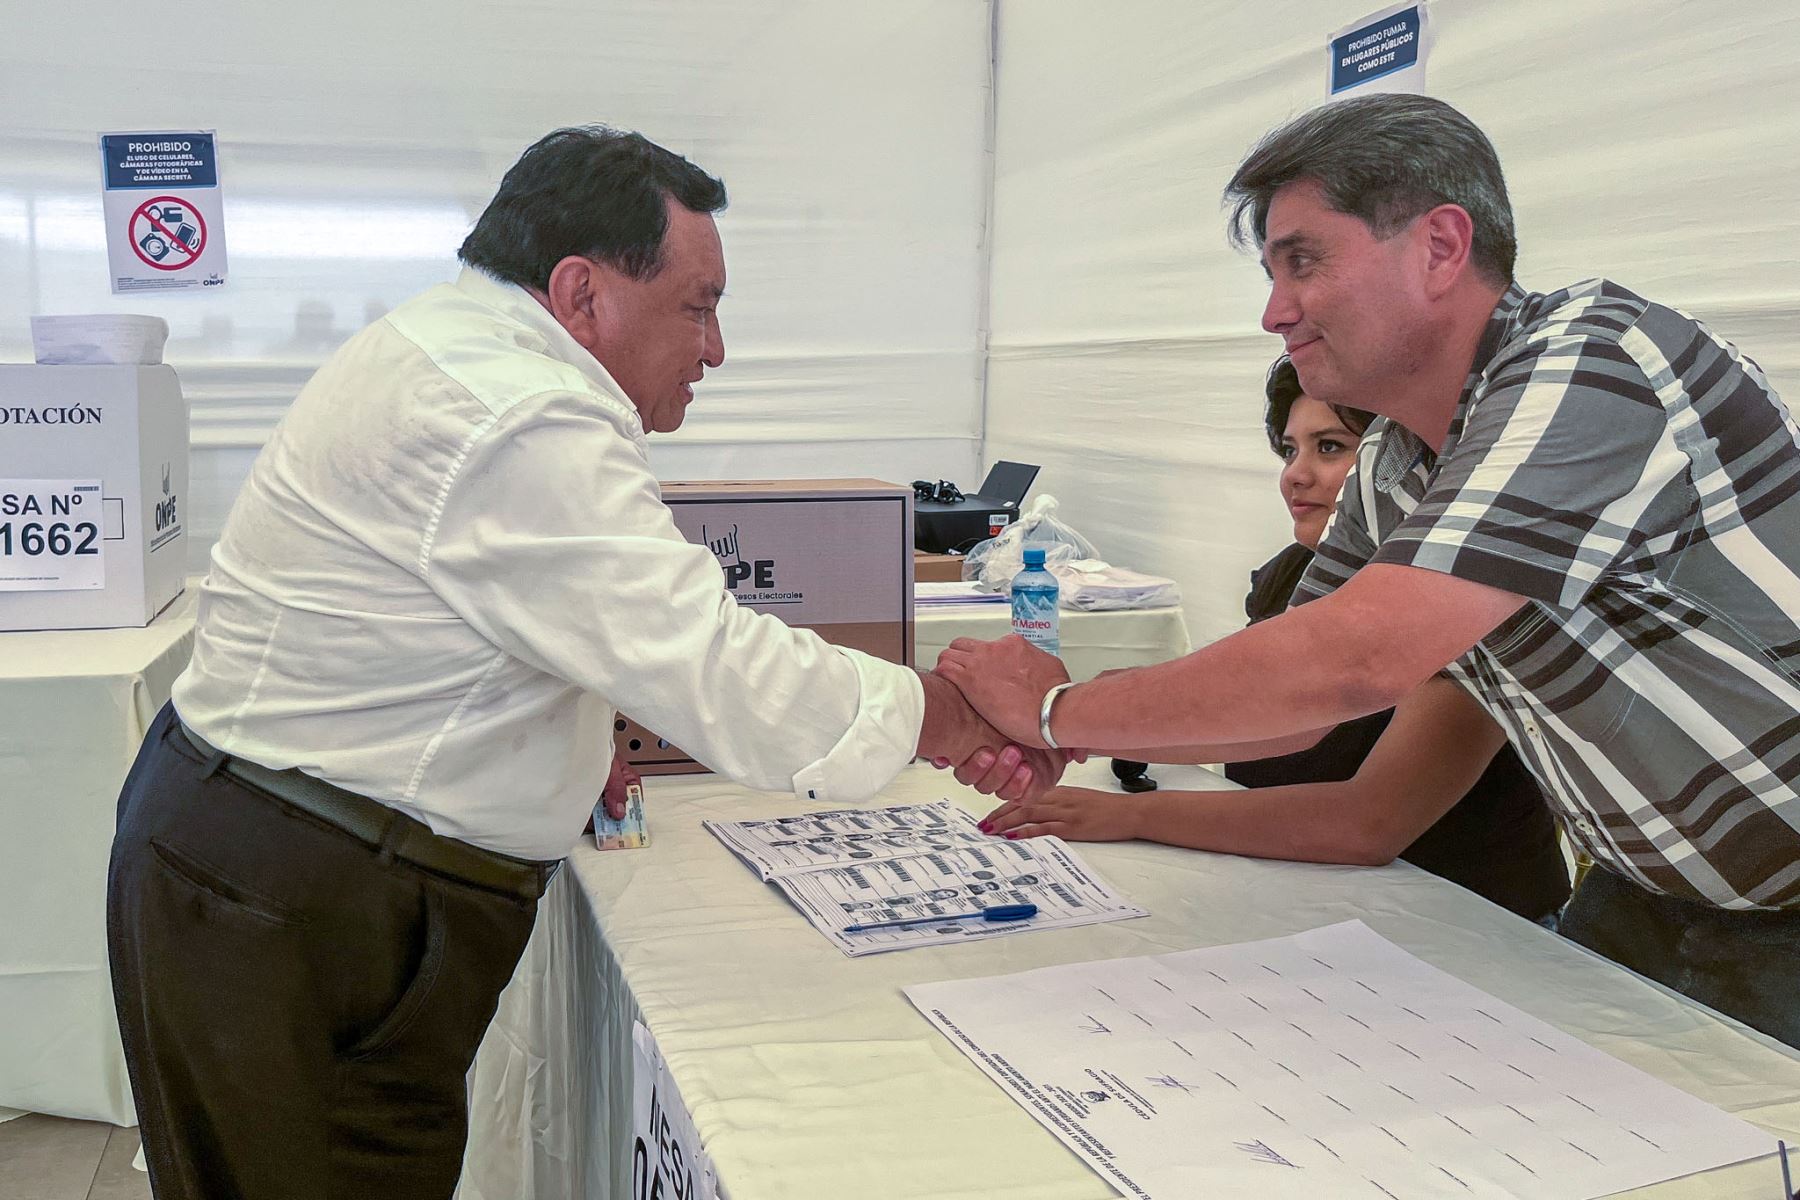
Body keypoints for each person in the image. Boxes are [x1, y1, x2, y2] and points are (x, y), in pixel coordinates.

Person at [107, 126, 1065, 1200]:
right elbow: (710, 662)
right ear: (580, 292)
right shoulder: (518, 411)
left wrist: (560, 730)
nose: (715, 350)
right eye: (698, 306)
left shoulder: (466, 353)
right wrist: (959, 713)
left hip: (286, 862)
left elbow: (483, 612)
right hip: (297, 895)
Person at [944, 93, 1800, 1047]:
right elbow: (1302, 711)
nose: (1275, 313)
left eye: (1302, 260)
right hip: (1647, 894)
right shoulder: (1396, 460)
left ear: (1439, 246)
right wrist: (1081, 731)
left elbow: (1352, 661)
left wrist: (1056, 713)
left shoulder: (1598, 358)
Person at [998, 356, 1570, 923]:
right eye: (1290, 449)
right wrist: (1067, 726)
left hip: (1468, 926)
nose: (1295, 475)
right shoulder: (1291, 574)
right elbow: (1250, 717)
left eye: (1329, 447)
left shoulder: (1469, 595)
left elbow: (1367, 824)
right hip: (1311, 899)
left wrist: (1130, 812)